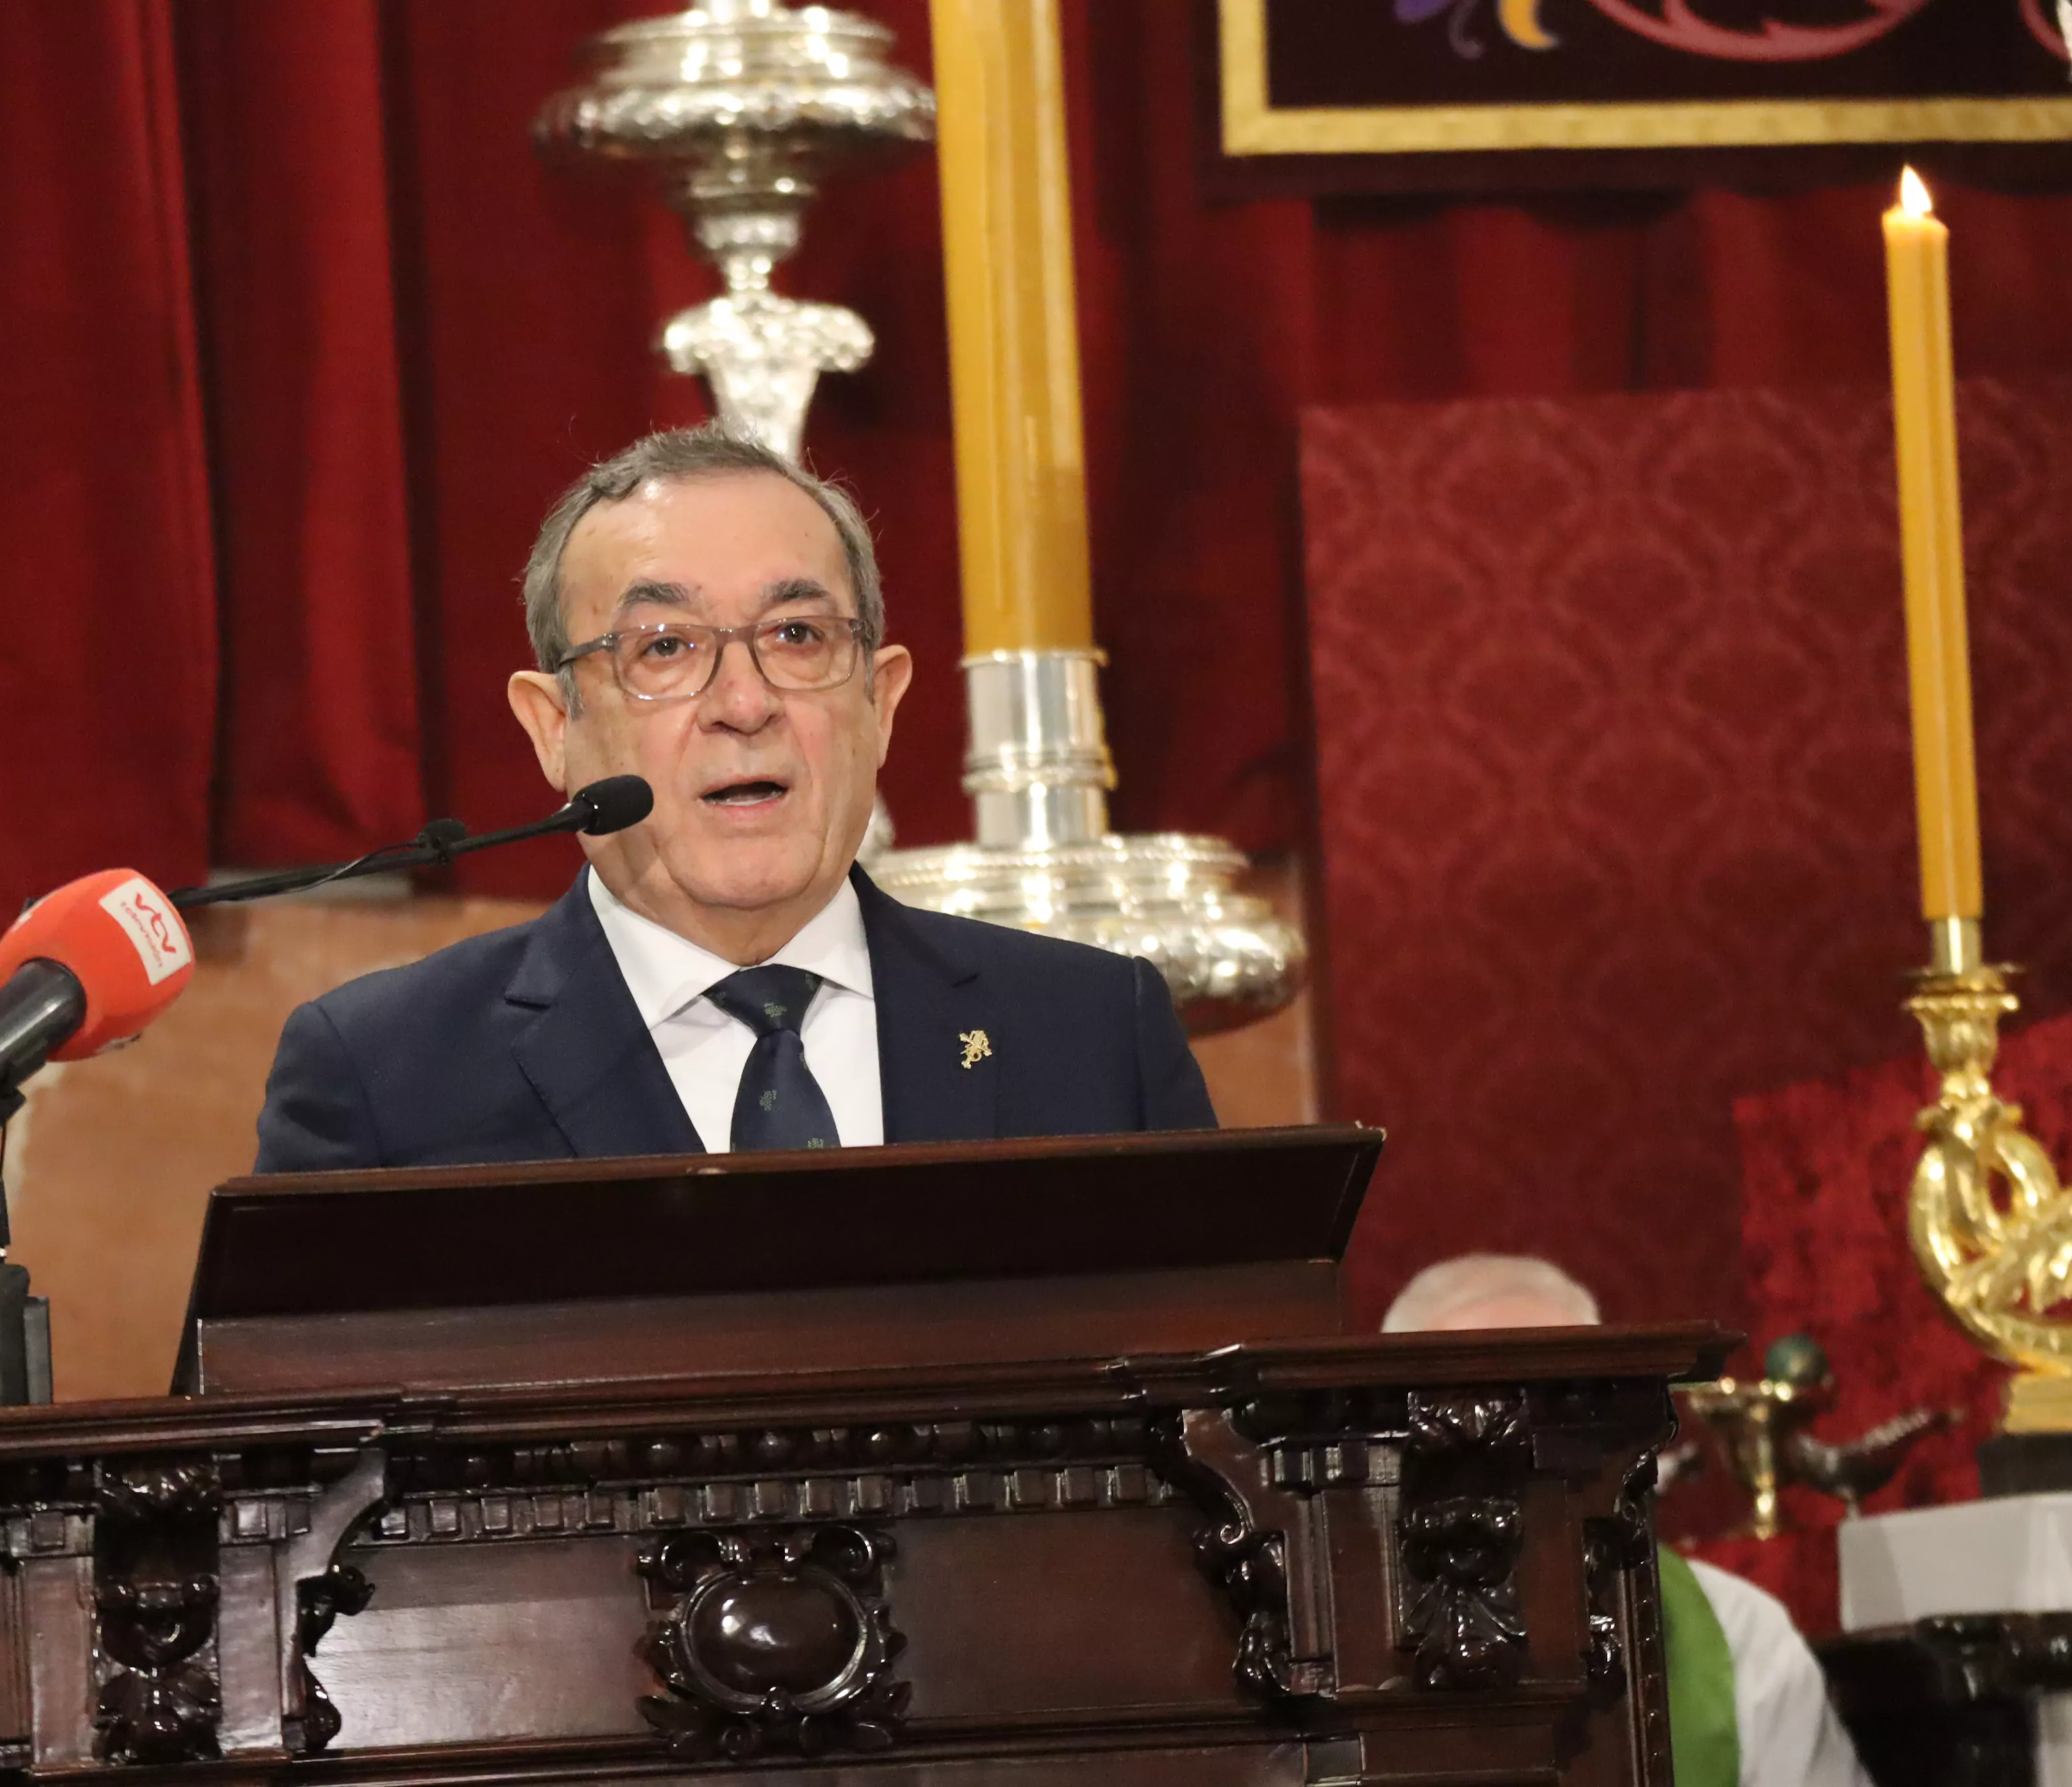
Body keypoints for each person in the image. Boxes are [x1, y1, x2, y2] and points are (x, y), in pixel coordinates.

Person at [254, 425, 1214, 1172]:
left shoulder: (1094, 1031)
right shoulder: (387, 1076)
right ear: (554, 726)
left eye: (797, 636)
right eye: (664, 647)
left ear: (880, 701)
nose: (745, 705)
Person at [1383, 1255, 1872, 1787]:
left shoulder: (1737, 1631)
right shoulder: (1325, 1649)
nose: (1530, 1453)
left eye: (1567, 1406)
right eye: (1477, 1413)